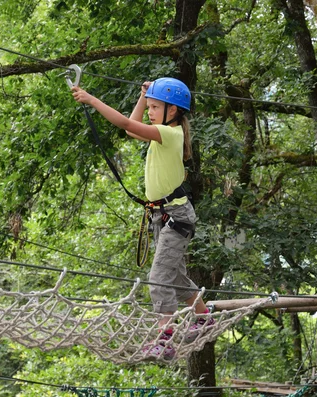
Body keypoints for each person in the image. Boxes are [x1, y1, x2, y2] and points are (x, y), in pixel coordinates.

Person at [71, 77, 213, 360]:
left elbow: (125, 124)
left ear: (171, 111)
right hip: (163, 216)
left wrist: (91, 99)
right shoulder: (161, 132)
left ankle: (164, 339)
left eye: (154, 107)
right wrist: (144, 97)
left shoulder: (170, 134)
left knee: (159, 278)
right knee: (174, 276)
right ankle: (204, 317)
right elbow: (130, 129)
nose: (149, 112)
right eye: (149, 107)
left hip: (176, 216)